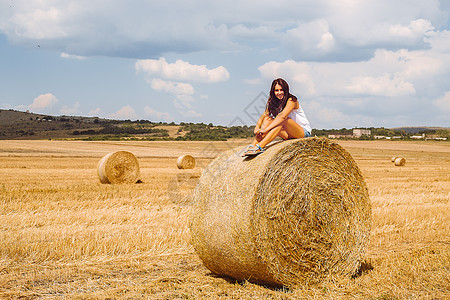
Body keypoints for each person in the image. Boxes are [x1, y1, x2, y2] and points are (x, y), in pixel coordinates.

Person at [243, 78, 312, 156]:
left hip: (303, 133)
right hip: (288, 134)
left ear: (286, 90)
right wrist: (257, 127)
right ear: (273, 91)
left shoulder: (292, 100)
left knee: (283, 120)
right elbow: (263, 116)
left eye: (281, 90)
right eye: (276, 90)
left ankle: (260, 146)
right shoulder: (274, 102)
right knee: (267, 119)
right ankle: (253, 145)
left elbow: (282, 117)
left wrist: (266, 130)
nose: (279, 92)